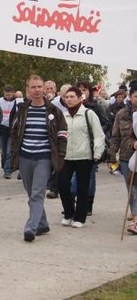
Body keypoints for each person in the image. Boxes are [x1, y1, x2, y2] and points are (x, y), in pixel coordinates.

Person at [10, 75, 67, 242]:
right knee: (31, 193)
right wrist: (14, 152)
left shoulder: (54, 111)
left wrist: (60, 156)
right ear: (27, 90)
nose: (37, 90)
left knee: (37, 193)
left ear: (44, 89)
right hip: (25, 157)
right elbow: (14, 133)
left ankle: (31, 228)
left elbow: (62, 135)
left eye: (39, 87)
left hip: (44, 158)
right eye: (33, 87)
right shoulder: (21, 109)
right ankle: (42, 223)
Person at [58, 87, 105, 228]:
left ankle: (80, 217)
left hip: (84, 156)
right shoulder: (63, 115)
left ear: (80, 98)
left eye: (72, 96)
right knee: (63, 185)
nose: (69, 99)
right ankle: (68, 213)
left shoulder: (88, 114)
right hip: (66, 157)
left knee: (82, 188)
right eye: (67, 97)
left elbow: (99, 134)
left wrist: (97, 152)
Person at [74, 81, 110, 215]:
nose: (82, 92)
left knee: (89, 176)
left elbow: (106, 123)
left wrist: (95, 132)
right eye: (79, 89)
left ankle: (88, 204)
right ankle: (73, 201)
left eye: (84, 89)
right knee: (73, 176)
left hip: (91, 146)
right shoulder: (72, 106)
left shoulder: (96, 107)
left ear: (89, 91)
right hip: (74, 147)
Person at [108, 85, 137, 234]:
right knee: (132, 189)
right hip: (127, 157)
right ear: (130, 97)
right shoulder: (121, 114)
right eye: (136, 96)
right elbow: (116, 136)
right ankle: (135, 217)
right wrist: (112, 156)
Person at [0, 85, 16, 179]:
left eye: (10, 95)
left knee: (9, 151)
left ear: (13, 93)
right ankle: (5, 166)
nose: (8, 96)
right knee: (3, 151)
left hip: (11, 129)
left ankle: (7, 170)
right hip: (1, 128)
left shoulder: (17, 102)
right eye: (6, 95)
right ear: (4, 93)